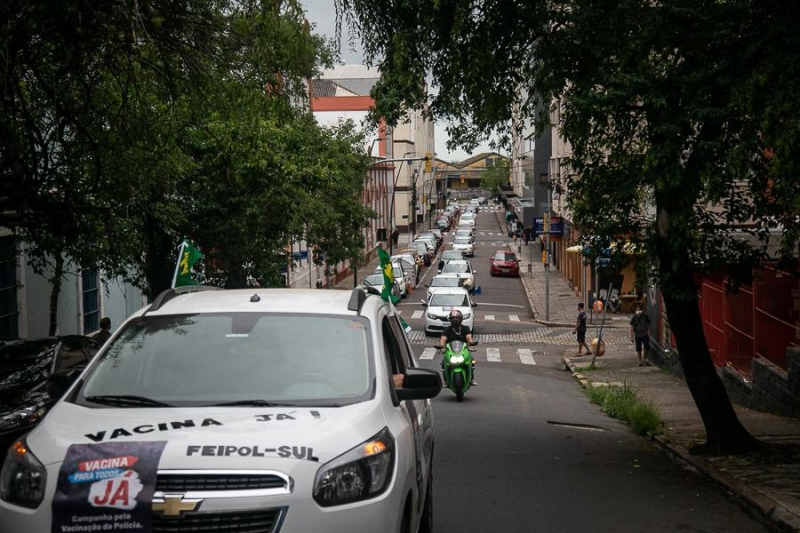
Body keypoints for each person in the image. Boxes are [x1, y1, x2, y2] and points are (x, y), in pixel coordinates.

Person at [439, 309, 477, 385]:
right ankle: (446, 380)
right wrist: (442, 347)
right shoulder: (447, 330)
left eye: (457, 318)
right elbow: (443, 340)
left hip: (463, 350)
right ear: (450, 320)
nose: (455, 320)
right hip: (450, 351)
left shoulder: (465, 328)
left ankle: (471, 378)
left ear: (461, 319)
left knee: (472, 361)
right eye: (453, 318)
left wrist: (471, 344)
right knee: (443, 362)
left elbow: (469, 338)